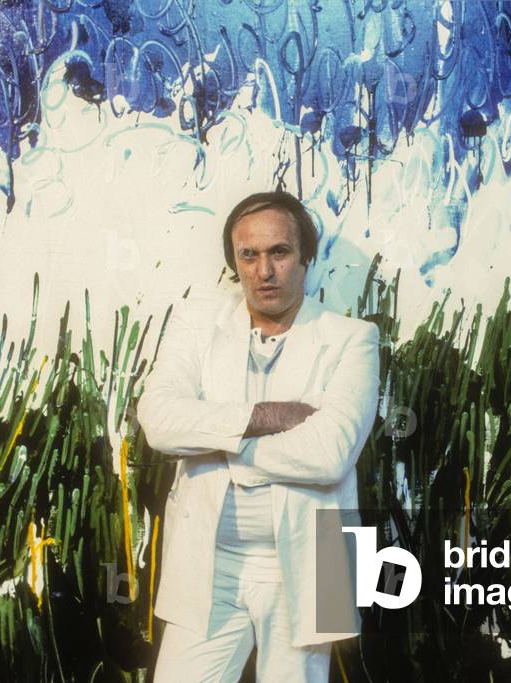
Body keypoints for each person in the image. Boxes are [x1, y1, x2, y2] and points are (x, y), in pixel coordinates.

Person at [137, 190, 380, 682]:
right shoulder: (196, 321)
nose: (264, 270)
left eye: (279, 252)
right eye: (249, 255)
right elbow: (159, 419)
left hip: (316, 563)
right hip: (210, 561)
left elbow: (330, 454)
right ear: (235, 262)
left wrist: (218, 438)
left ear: (306, 257)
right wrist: (266, 415)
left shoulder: (352, 338)